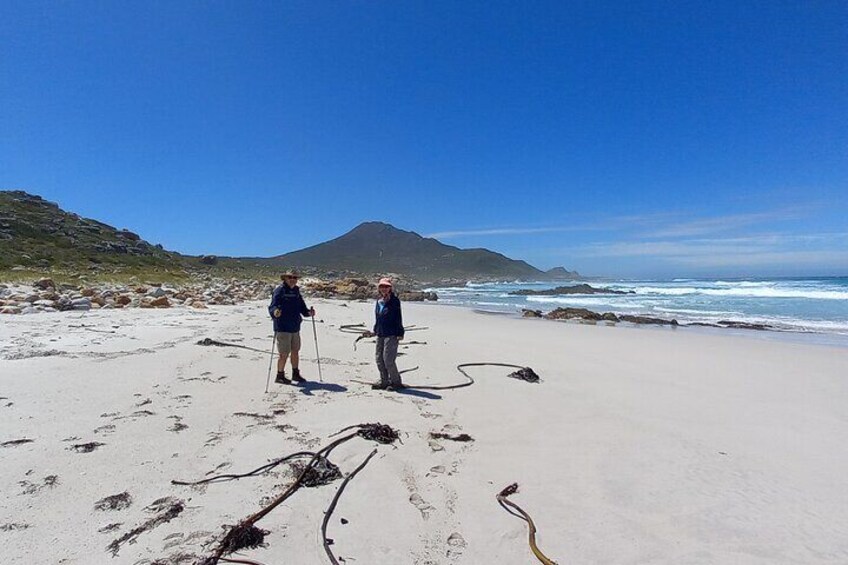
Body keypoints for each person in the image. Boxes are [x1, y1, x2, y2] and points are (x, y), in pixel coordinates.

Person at [268, 270, 315, 385]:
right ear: (285, 278)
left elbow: (302, 308)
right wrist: (275, 312)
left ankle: (295, 373)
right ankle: (280, 375)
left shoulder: (296, 291)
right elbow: (272, 306)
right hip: (283, 327)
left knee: (295, 351)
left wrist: (309, 313)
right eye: (290, 277)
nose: (293, 279)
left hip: (295, 327)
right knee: (283, 354)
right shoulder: (279, 290)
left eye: (295, 277)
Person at [371, 277, 405, 391]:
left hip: (392, 334)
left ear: (390, 288)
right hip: (380, 333)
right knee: (379, 359)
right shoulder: (379, 301)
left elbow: (398, 317)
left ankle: (396, 382)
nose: (384, 289)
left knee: (388, 360)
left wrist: (400, 332)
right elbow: (378, 317)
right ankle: (384, 381)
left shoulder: (394, 301)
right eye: (382, 286)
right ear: (379, 288)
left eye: (386, 287)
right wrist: (375, 329)